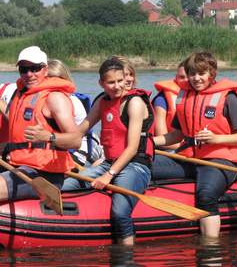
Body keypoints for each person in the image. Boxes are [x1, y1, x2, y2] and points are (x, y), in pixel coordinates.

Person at [25, 57, 155, 245]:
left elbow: (132, 148)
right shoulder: (102, 101)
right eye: (111, 82)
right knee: (64, 187)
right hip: (109, 163)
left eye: (120, 81)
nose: (117, 86)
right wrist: (49, 136)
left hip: (135, 165)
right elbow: (78, 133)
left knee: (120, 212)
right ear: (101, 83)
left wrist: (108, 175)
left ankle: (127, 254)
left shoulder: (134, 103)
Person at [152, 51, 237, 238]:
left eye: (201, 73)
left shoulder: (229, 98)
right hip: (190, 158)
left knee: (206, 195)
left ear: (212, 74)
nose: (196, 78)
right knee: (145, 164)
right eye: (192, 74)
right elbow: (176, 135)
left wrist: (217, 139)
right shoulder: (185, 98)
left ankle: (210, 249)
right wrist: (148, 142)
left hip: (222, 161)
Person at [0, 46, 77, 202]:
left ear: (45, 69)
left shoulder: (55, 98)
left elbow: (75, 141)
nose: (29, 74)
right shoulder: (21, 94)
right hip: (18, 165)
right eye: (24, 69)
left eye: (35, 68)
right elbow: (15, 124)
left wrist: (49, 136)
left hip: (44, 174)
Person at [47, 59, 103, 166]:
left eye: (58, 79)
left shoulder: (69, 101)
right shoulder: (44, 100)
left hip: (78, 152)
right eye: (48, 79)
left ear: (66, 79)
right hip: (56, 150)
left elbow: (73, 141)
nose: (54, 83)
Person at [152, 61, 187, 150]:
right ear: (176, 78)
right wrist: (189, 147)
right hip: (170, 148)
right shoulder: (161, 100)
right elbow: (161, 136)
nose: (186, 81)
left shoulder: (201, 98)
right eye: (182, 77)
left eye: (189, 76)